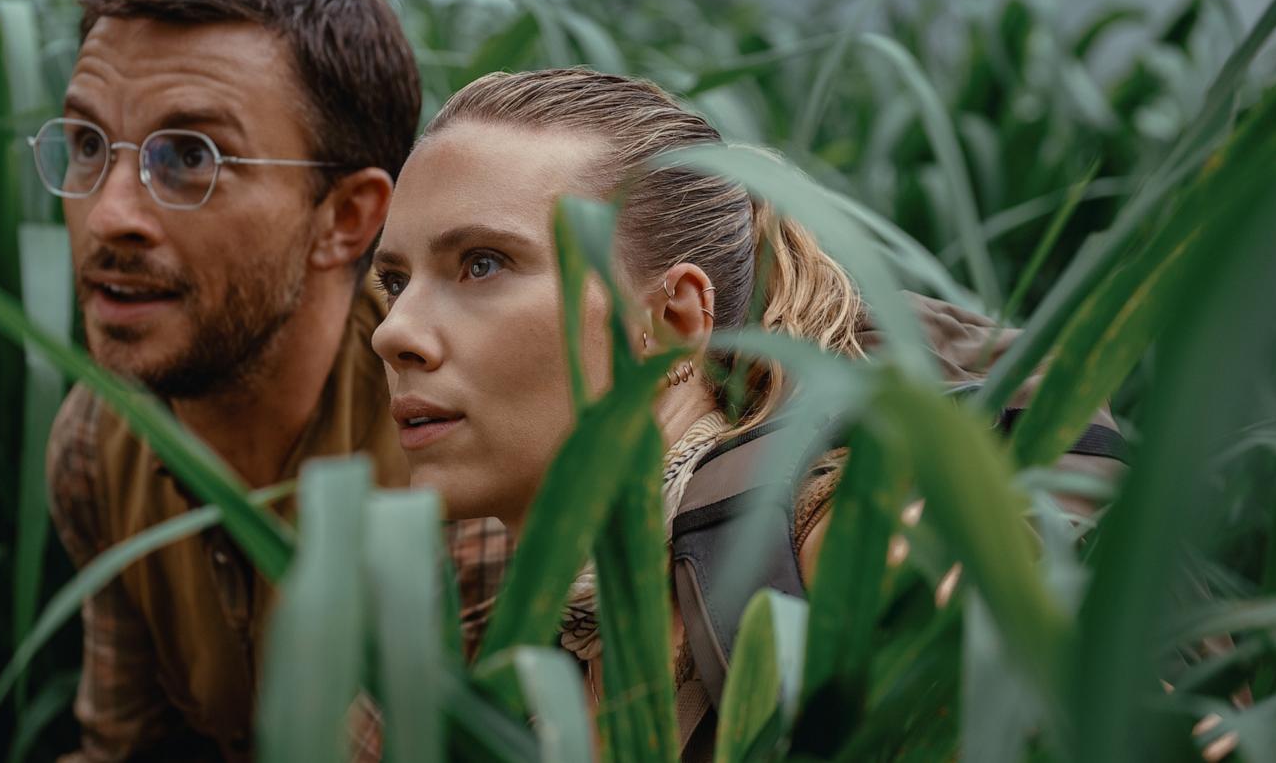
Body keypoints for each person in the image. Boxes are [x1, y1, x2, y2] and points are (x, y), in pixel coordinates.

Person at [369, 68, 1126, 758]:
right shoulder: (488, 637)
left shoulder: (854, 559)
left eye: (482, 264)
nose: (393, 331)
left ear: (674, 322)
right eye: (395, 280)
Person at [41, 0, 425, 761]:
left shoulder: (450, 452)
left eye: (190, 157)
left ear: (346, 217)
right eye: (85, 144)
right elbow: (125, 746)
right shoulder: (97, 442)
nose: (109, 216)